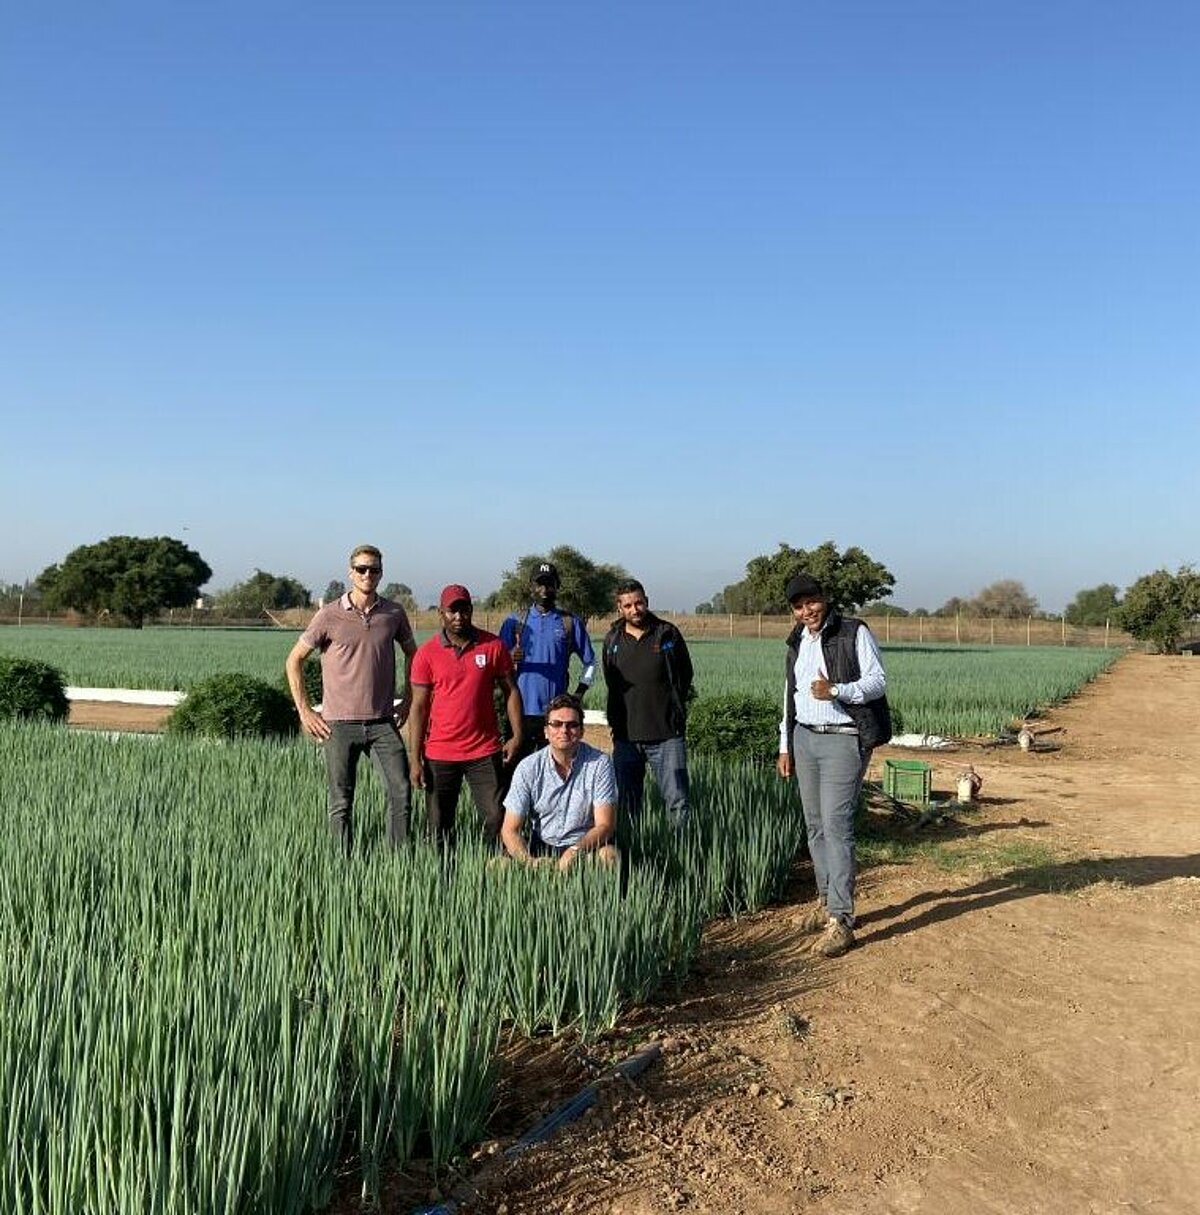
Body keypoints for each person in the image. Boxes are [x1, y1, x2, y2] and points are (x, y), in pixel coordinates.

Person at [776, 573, 892, 958]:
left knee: (837, 825)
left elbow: (877, 681)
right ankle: (825, 902)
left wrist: (838, 691)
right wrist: (784, 744)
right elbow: (789, 695)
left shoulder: (853, 632)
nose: (806, 611)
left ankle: (842, 919)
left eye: (811, 602)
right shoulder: (797, 641)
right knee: (814, 824)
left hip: (843, 737)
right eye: (798, 606)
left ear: (824, 599)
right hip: (804, 737)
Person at [285, 544, 417, 854]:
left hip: (383, 722)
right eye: (361, 569)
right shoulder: (328, 615)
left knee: (401, 791)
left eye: (373, 569)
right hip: (339, 725)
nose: (367, 574)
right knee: (341, 800)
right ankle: (340, 865)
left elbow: (414, 656)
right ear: (350, 573)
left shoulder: (394, 613)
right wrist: (305, 710)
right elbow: (294, 660)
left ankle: (396, 862)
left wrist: (409, 699)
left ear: (381, 573)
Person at [408, 584, 523, 846]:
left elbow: (511, 691)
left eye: (464, 610)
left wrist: (517, 735)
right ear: (441, 613)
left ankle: (487, 867)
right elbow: (418, 707)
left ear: (471, 610)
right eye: (452, 611)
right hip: (440, 752)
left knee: (496, 816)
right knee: (439, 825)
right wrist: (415, 759)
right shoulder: (426, 654)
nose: (459, 616)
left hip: (484, 750)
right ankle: (444, 877)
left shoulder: (492, 646)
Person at [601, 578, 694, 828]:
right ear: (619, 608)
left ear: (647, 602)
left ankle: (680, 854)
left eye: (639, 603)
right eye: (628, 605)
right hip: (626, 737)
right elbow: (611, 681)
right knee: (627, 802)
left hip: (667, 735)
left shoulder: (667, 633)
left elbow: (684, 675)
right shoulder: (612, 640)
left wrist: (671, 708)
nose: (635, 610)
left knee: (677, 802)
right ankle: (632, 857)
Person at [501, 693, 619, 869]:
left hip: (585, 846)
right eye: (556, 724)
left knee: (609, 856)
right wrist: (529, 862)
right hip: (542, 845)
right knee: (498, 865)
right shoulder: (528, 768)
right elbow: (509, 830)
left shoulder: (600, 764)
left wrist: (575, 850)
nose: (564, 730)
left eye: (572, 725)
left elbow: (605, 825)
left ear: (581, 732)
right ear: (546, 732)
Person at [498, 561, 596, 761]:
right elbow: (495, 666)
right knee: (514, 776)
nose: (544, 589)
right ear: (531, 587)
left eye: (550, 584)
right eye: (539, 584)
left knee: (557, 772)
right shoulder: (514, 622)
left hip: (557, 716)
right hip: (519, 713)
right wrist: (509, 657)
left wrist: (579, 693)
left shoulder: (569, 623)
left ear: (557, 586)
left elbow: (591, 663)